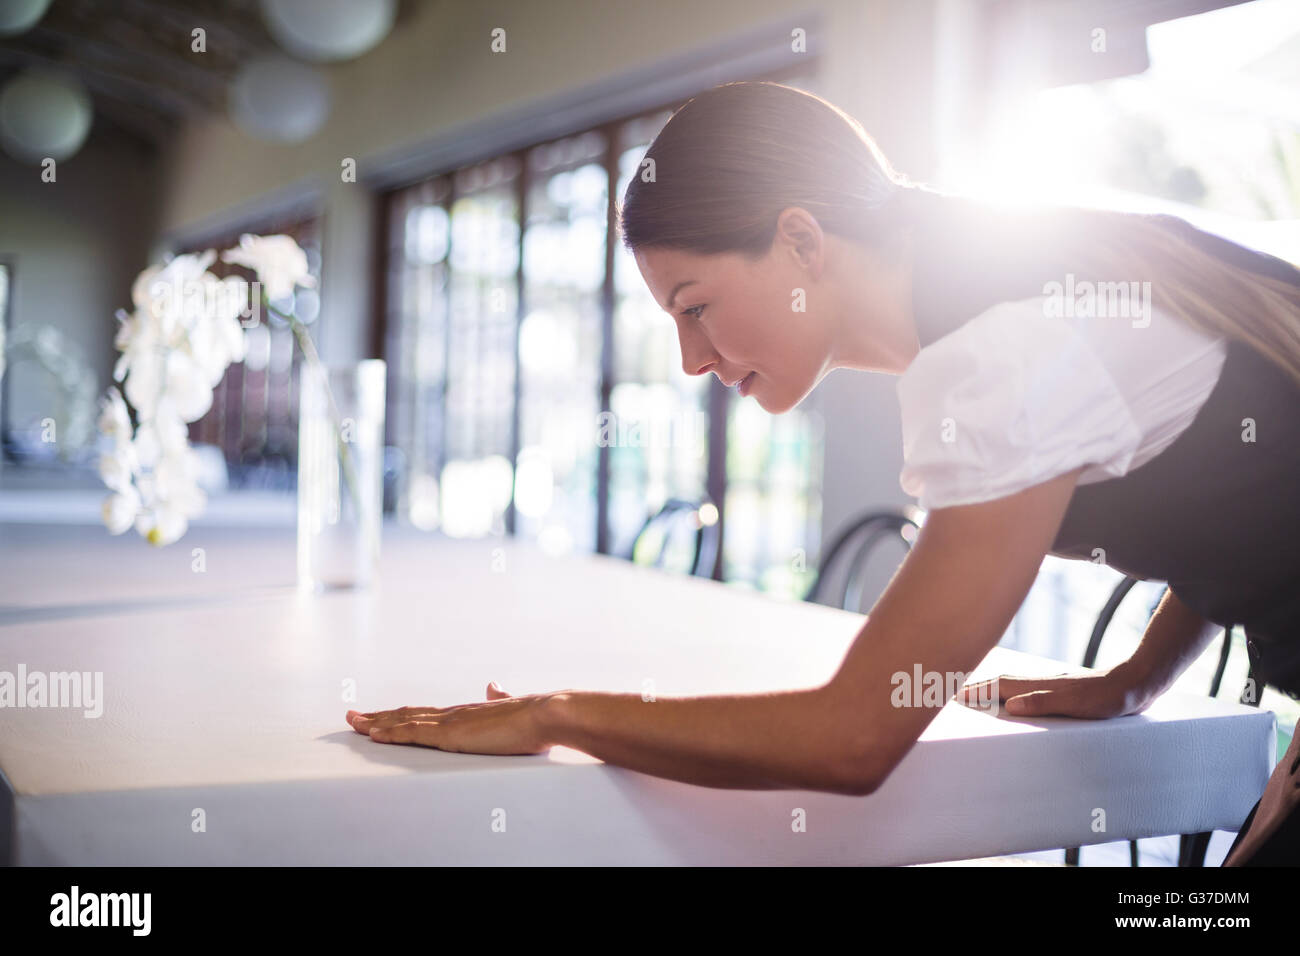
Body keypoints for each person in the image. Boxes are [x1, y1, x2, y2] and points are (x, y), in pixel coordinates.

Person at [347, 81, 1300, 865]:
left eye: (695, 305)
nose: (689, 358)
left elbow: (854, 738)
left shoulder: (997, 357)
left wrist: (558, 715)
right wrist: (1134, 677)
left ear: (801, 241)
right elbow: (1233, 494)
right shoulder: (1012, 297)